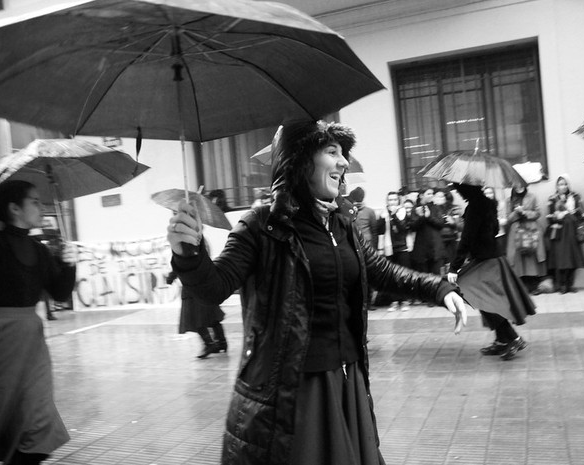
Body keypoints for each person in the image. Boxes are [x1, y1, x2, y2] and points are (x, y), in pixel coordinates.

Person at [166, 120, 467, 465]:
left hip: (346, 379)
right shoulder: (261, 226)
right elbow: (213, 287)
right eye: (332, 152)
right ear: (301, 160)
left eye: (343, 154)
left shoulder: (341, 222)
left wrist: (440, 288)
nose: (343, 163)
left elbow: (380, 271)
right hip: (294, 390)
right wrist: (187, 255)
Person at [0, 180, 77, 465]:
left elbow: (59, 292)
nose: (40, 207)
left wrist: (70, 265)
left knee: (38, 416)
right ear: (14, 208)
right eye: (34, 201)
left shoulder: (39, 249)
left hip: (32, 343)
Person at [447, 183, 535, 361]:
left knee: (481, 298)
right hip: (491, 258)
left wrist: (454, 267)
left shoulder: (474, 207)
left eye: (458, 189)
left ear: (466, 190)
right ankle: (502, 339)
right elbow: (494, 230)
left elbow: (467, 239)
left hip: (486, 261)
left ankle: (513, 339)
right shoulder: (488, 203)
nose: (457, 192)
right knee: (486, 299)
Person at [167, 243, 227, 359]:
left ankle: (209, 344)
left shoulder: (186, 243)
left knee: (195, 317)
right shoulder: (200, 242)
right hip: (205, 283)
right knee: (211, 315)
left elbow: (182, 262)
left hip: (192, 287)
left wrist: (171, 277)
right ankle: (221, 343)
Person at [545, 175, 584, 294]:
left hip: (573, 231)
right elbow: (549, 218)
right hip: (559, 233)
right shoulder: (552, 199)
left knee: (573, 259)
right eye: (560, 184)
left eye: (564, 184)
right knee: (562, 260)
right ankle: (562, 285)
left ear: (568, 185)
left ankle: (570, 284)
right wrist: (559, 215)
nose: (562, 186)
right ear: (556, 186)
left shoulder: (575, 197)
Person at [504, 183, 547, 294]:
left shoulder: (532, 196)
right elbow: (508, 218)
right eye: (516, 185)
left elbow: (538, 213)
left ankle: (533, 285)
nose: (519, 187)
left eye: (521, 184)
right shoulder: (509, 200)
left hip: (531, 229)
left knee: (531, 256)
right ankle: (521, 287)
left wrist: (525, 212)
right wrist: (516, 212)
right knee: (518, 258)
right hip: (516, 230)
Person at [375, 190, 411, 311]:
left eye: (394, 200)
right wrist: (382, 218)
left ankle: (405, 301)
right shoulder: (383, 213)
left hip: (402, 248)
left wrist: (394, 215)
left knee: (404, 275)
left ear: (398, 201)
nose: (392, 202)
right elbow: (379, 230)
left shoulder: (403, 212)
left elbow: (403, 228)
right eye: (390, 200)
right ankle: (394, 301)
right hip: (389, 248)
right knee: (392, 276)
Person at [409, 187, 445, 276]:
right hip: (422, 249)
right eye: (429, 194)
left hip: (435, 248)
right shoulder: (416, 209)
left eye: (432, 194)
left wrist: (429, 217)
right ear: (421, 195)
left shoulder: (436, 208)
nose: (431, 196)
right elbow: (413, 227)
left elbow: (440, 224)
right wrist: (422, 217)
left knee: (437, 277)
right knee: (424, 278)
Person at [483, 186, 508, 254]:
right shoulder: (481, 207)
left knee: (501, 255)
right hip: (487, 237)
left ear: (494, 193)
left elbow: (506, 220)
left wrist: (495, 221)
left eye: (490, 193)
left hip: (500, 235)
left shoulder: (500, 204)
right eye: (486, 193)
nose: (488, 195)